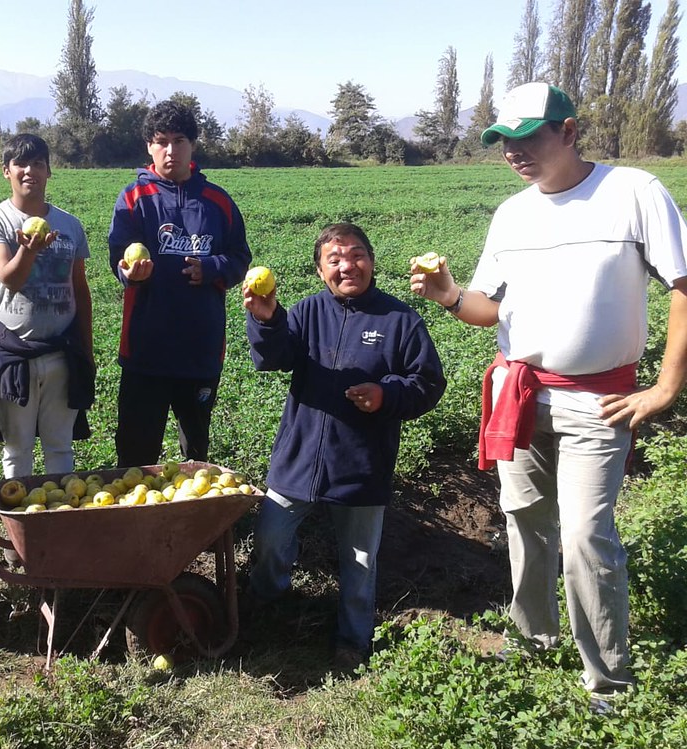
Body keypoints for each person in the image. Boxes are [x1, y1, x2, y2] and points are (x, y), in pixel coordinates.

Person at [409, 82, 687, 711]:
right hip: (521, 395)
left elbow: (684, 284)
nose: (513, 152)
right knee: (525, 523)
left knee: (588, 533)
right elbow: (490, 310)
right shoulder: (513, 214)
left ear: (568, 130)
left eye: (527, 137)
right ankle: (533, 639)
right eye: (503, 142)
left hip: (598, 401)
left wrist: (666, 386)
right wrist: (450, 293)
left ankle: (608, 682)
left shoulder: (632, 193)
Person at [246, 222, 446, 670]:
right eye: (334, 259)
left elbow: (428, 382)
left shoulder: (400, 321)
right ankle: (268, 604)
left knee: (359, 561)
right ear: (320, 271)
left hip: (361, 463)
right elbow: (273, 359)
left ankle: (352, 641)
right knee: (271, 538)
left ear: (372, 262)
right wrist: (266, 320)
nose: (346, 265)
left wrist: (385, 395)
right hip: (298, 457)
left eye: (355, 255)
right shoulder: (305, 312)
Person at [107, 99, 251, 467]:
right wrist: (129, 272)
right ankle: (137, 523)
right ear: (149, 147)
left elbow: (240, 258)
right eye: (162, 141)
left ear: (193, 146)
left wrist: (213, 268)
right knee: (135, 456)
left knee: (196, 453)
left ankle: (191, 521)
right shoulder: (134, 198)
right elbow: (117, 259)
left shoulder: (218, 201)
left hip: (198, 353)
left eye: (180, 140)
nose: (171, 150)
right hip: (145, 352)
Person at [0, 133, 94, 478]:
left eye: (38, 163)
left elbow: (80, 290)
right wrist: (28, 249)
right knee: (17, 448)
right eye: (20, 164)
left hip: (62, 352)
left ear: (49, 172)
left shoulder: (70, 225)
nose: (30, 171)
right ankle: (21, 526)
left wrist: (87, 349)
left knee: (60, 445)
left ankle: (57, 521)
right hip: (16, 352)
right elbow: (10, 278)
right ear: (6, 171)